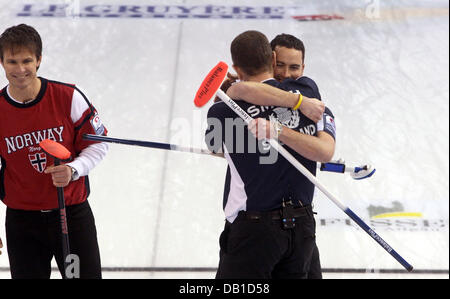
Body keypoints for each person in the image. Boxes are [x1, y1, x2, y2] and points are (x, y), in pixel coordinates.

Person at [205, 30, 336, 279]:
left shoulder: (222, 112)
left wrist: (228, 92)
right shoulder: (307, 93)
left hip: (253, 230)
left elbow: (215, 148)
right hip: (302, 226)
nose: (287, 74)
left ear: (235, 67)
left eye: (294, 67)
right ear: (273, 60)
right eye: (283, 66)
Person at [0, 24, 108, 279]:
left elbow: (98, 143)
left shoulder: (68, 96)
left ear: (39, 60)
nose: (20, 69)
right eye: (11, 61)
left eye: (27, 60)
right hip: (22, 222)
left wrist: (73, 169)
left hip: (71, 216)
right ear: (2, 62)